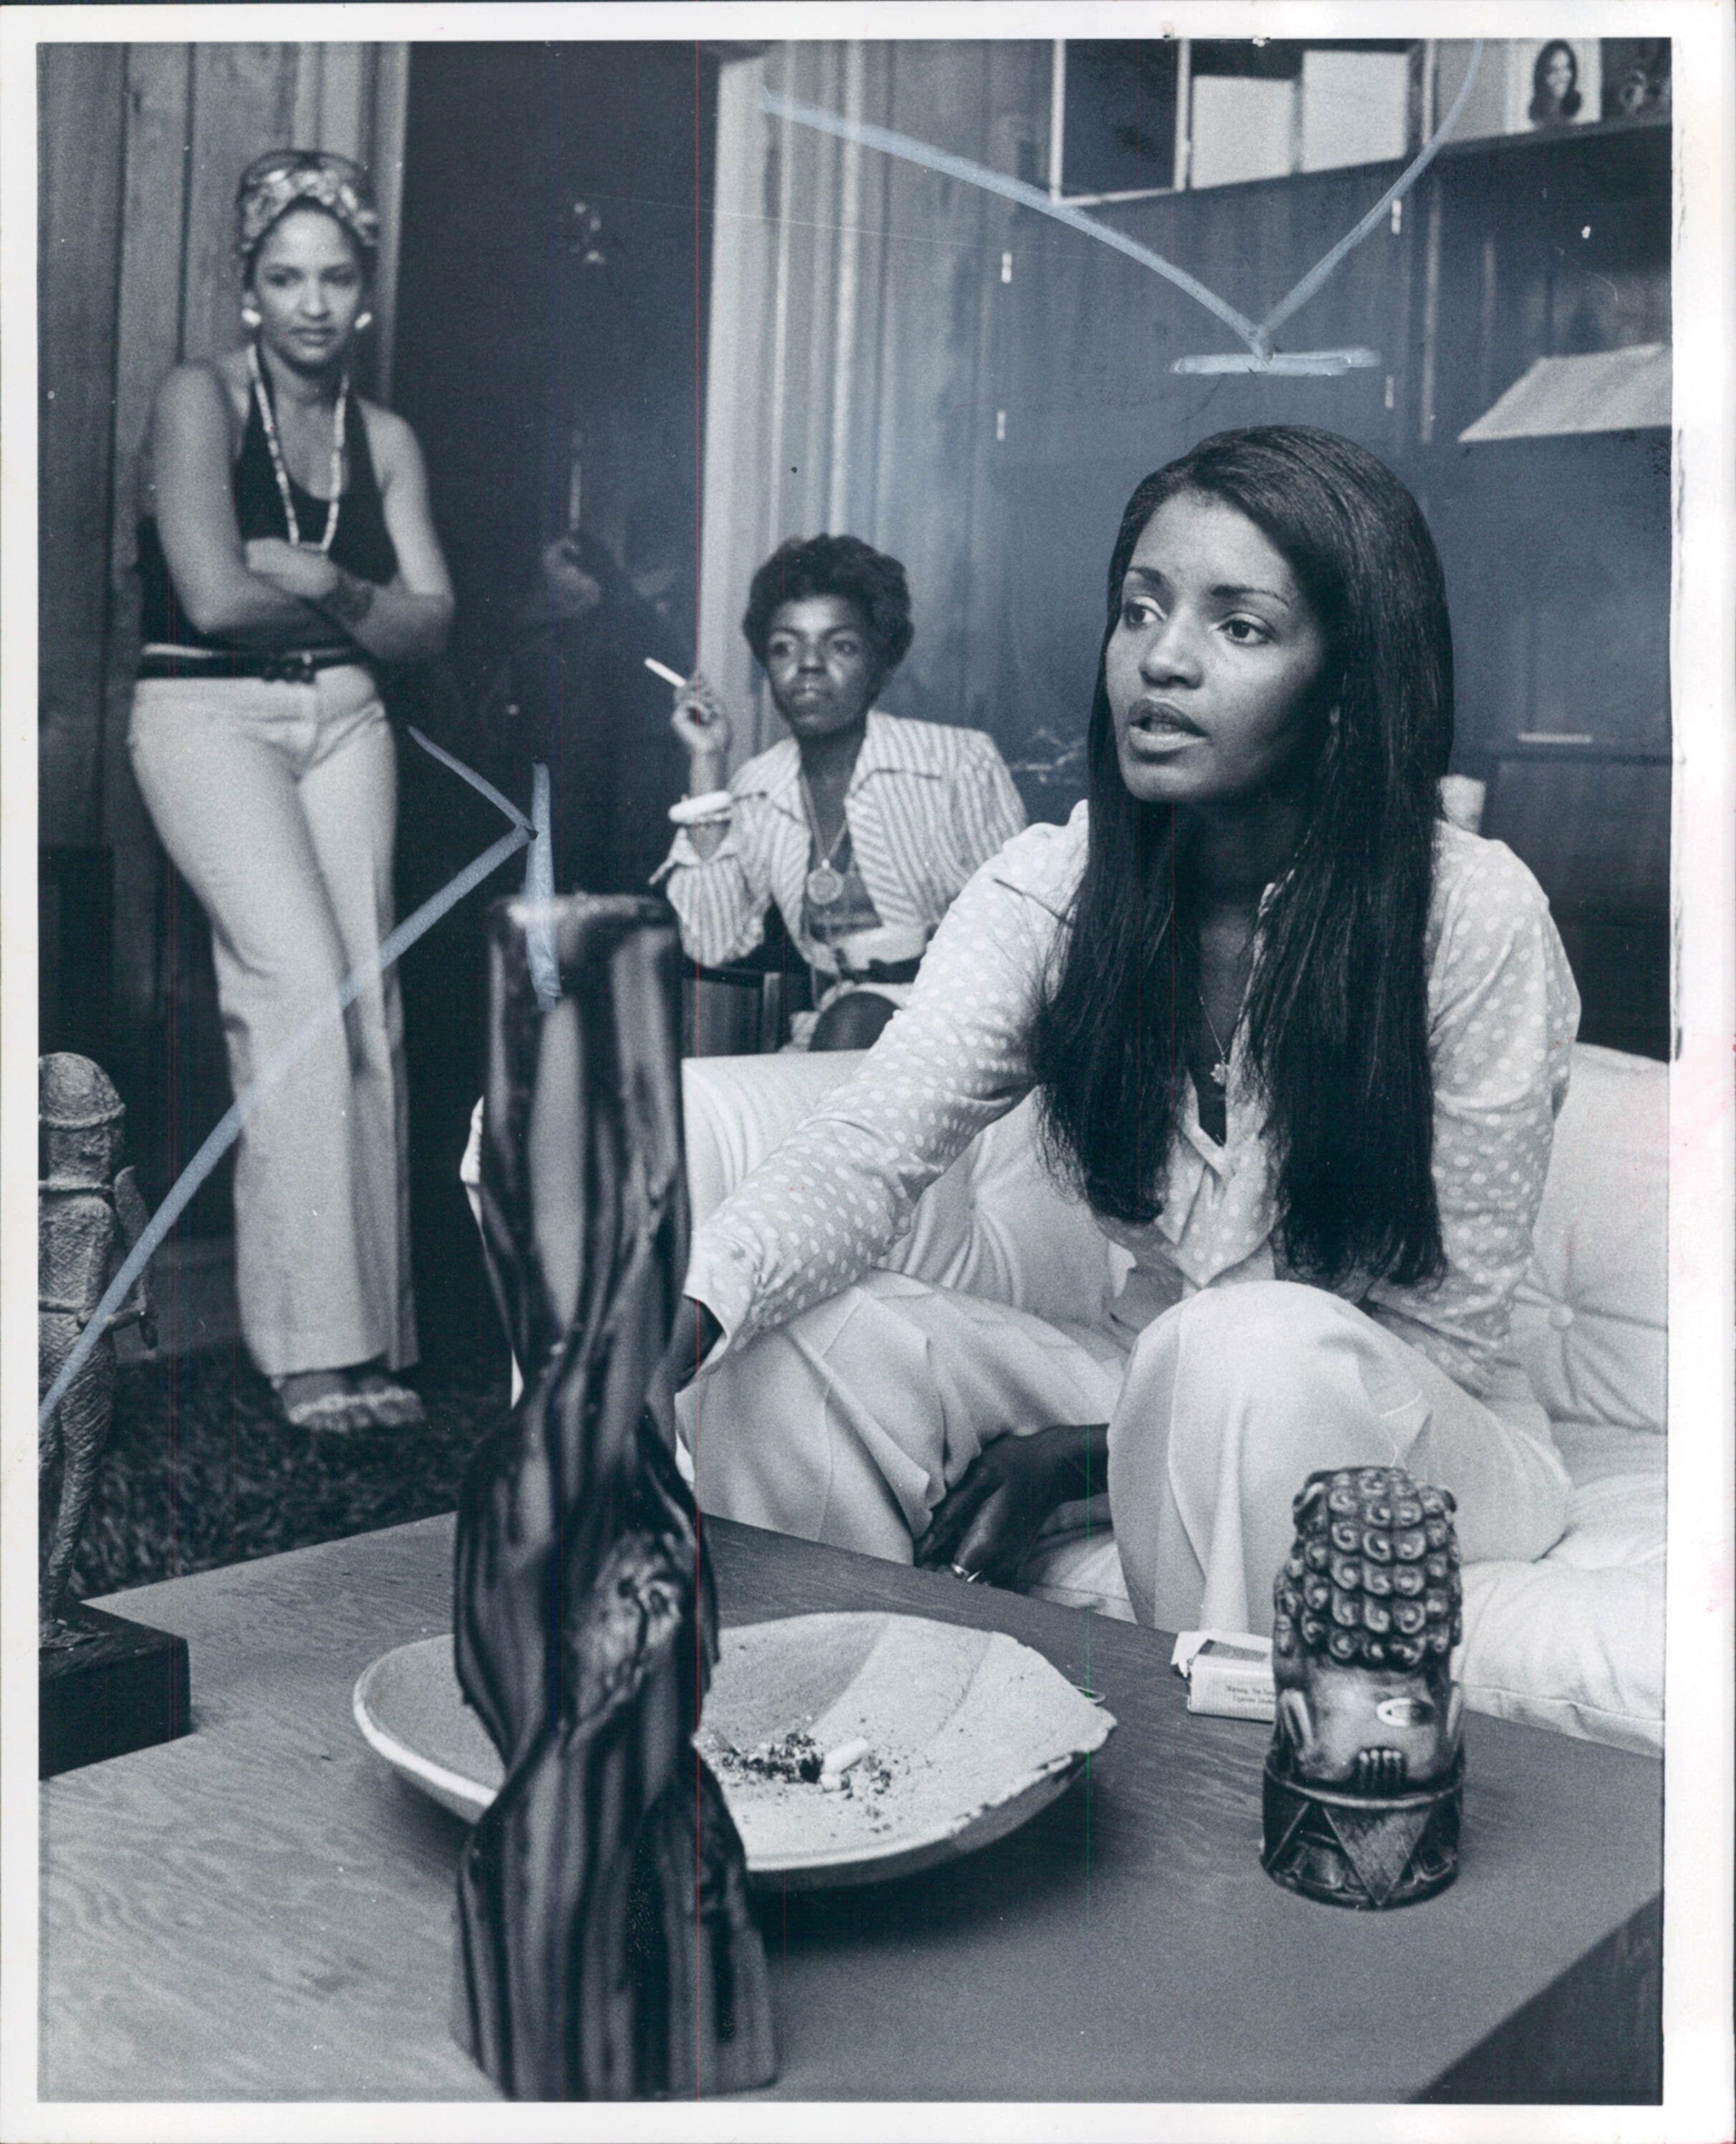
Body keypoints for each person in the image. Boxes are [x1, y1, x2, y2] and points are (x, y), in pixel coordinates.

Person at [674, 428, 1578, 1637]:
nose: (1162, 660)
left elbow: (1441, 1339)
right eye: (1139, 609)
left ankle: (1229, 1804)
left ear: (1347, 681)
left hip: (1417, 1432)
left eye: (1238, 626)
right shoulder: (1052, 889)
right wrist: (671, 1329)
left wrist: (1088, 1457)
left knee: (1243, 1355)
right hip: (1146, 1366)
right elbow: (864, 1147)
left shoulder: (1469, 913)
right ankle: (847, 1751)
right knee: (792, 1343)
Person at [129, 151, 454, 1434]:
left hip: (347, 716)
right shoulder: (197, 397)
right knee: (300, 989)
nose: (312, 301)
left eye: (336, 276)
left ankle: (373, 1340)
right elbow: (208, 598)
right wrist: (369, 611)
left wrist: (324, 587)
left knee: (369, 1000)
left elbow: (431, 626)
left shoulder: (384, 436)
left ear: (364, 292)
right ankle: (310, 1355)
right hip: (208, 712)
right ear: (249, 291)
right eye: (285, 277)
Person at [655, 535, 1027, 1051]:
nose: (808, 664)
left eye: (840, 645)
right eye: (785, 646)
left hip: (969, 1031)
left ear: (881, 664)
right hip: (834, 1033)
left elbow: (1022, 934)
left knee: (849, 1027)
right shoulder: (756, 788)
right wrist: (707, 762)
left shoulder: (957, 763)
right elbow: (710, 941)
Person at [1529, 40, 1582, 126]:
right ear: (1541, 76)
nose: (1561, 76)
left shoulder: (1582, 116)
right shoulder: (1534, 124)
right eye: (1553, 70)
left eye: (1566, 67)